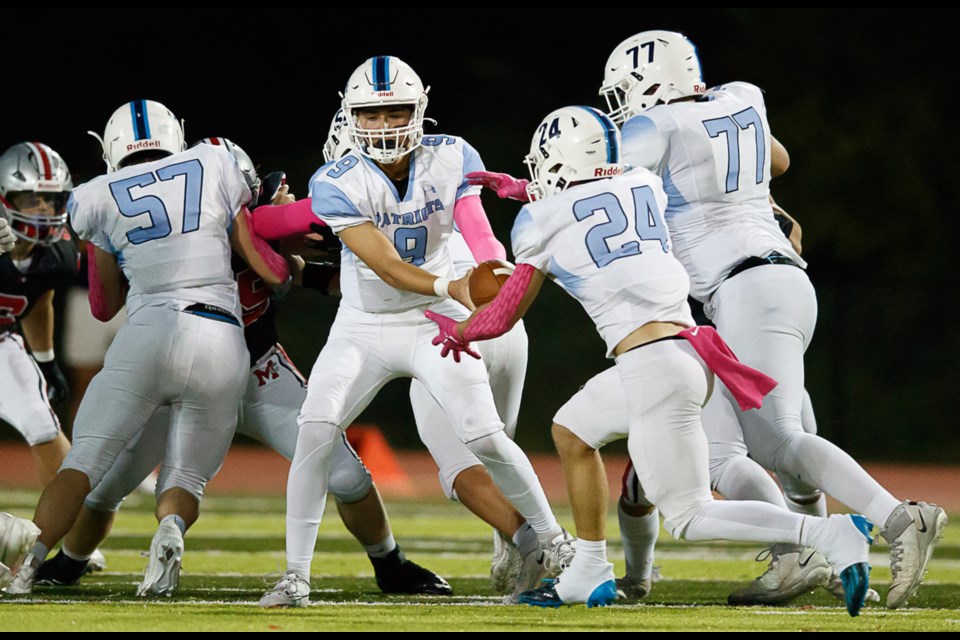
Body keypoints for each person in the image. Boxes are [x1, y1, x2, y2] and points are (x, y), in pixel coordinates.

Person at [427, 105, 875, 616]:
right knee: (572, 430)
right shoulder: (643, 183)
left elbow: (503, 313)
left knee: (690, 515)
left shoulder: (539, 220)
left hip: (652, 365)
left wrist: (460, 329)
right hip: (689, 351)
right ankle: (589, 569)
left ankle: (828, 532)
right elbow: (591, 200)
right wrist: (522, 189)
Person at [598, 29, 946, 610]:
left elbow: (613, 196)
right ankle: (797, 556)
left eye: (625, 92)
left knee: (781, 441)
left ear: (651, 85)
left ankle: (897, 517)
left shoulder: (654, 127)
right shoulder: (741, 96)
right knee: (726, 450)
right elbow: (775, 160)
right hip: (770, 282)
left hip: (745, 287)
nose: (623, 106)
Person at [34, 136, 450, 598]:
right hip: (226, 364)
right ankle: (70, 563)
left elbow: (311, 267)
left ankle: (390, 563)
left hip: (249, 371)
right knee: (108, 484)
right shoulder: (237, 221)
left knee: (347, 475)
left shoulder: (208, 221)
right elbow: (291, 240)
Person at [256, 55, 573, 608]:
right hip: (367, 325)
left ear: (419, 109)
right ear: (351, 117)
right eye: (371, 115)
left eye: (396, 110)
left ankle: (554, 543)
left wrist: (493, 270)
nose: (385, 124)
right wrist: (452, 289)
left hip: (434, 325)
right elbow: (383, 264)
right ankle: (295, 577)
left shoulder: (451, 156)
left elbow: (478, 231)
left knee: (483, 434)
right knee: (315, 429)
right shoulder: (336, 179)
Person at [1, 99, 290, 597]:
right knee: (184, 477)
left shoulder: (96, 196)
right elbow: (271, 271)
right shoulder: (216, 160)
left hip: (149, 331)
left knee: (83, 464)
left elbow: (103, 305)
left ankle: (26, 567)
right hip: (222, 337)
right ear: (175, 134)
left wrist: (108, 246)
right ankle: (170, 531)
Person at [317, 110, 534, 599]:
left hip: (453, 333)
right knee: (501, 452)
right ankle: (519, 541)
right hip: (503, 326)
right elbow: (481, 238)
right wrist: (495, 271)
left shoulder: (349, 191)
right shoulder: (439, 188)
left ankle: (542, 545)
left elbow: (384, 274)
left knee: (462, 466)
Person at [0, 142, 76, 484]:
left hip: (2, 339)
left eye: (51, 199)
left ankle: (63, 533)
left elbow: (37, 300)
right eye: (32, 199)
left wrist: (46, 362)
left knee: (43, 424)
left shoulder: (57, 255)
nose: (44, 208)